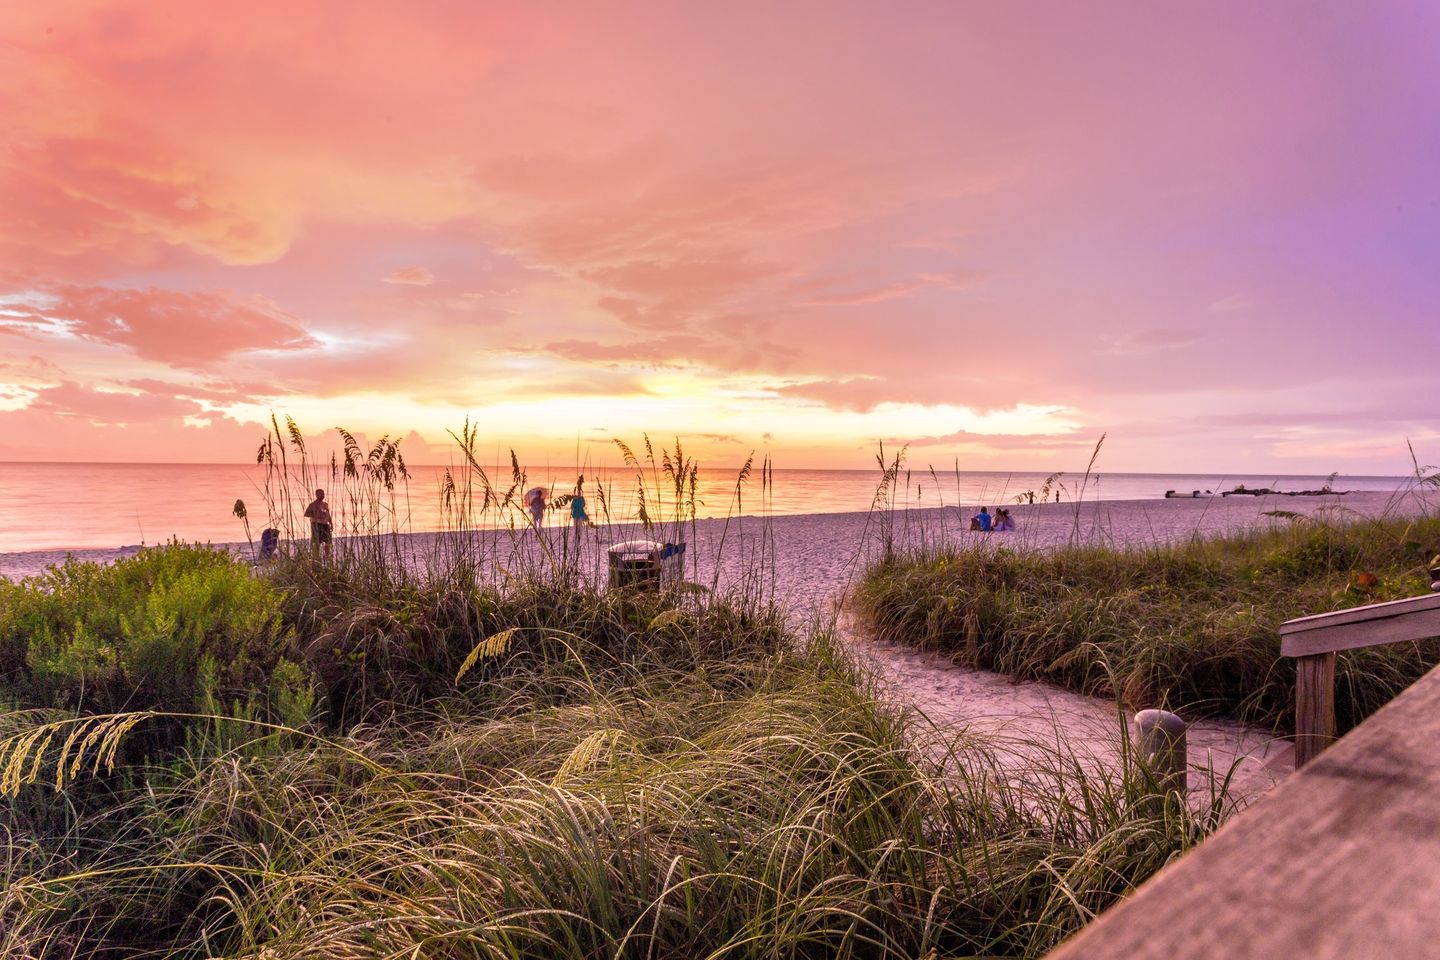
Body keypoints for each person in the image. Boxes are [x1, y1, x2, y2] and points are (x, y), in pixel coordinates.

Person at [303, 489, 332, 557]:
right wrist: (316, 515)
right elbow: (306, 514)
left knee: (328, 541)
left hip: (325, 524)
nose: (322, 495)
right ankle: (316, 556)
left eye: (323, 494)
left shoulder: (325, 504)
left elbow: (328, 514)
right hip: (317, 524)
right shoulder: (313, 505)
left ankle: (326, 555)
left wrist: (331, 523)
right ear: (316, 495)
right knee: (317, 542)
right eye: (320, 494)